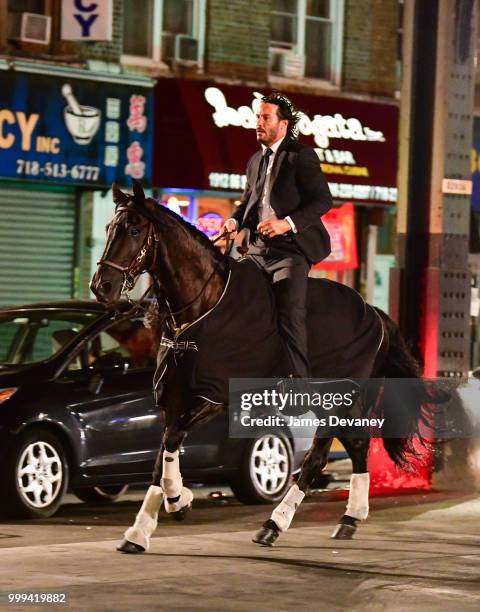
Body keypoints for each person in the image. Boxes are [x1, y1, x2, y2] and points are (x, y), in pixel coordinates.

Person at [220, 92, 332, 378]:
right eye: (258, 117)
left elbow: (322, 201)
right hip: (257, 252)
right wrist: (233, 222)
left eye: (265, 117)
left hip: (290, 251)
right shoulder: (255, 161)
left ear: (282, 124)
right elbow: (248, 202)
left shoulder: (301, 156)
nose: (259, 122)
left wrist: (286, 223)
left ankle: (299, 387)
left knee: (289, 315)